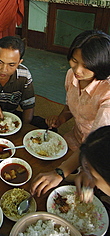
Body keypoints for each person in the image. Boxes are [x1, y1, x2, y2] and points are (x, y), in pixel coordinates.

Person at [30, 29, 110, 197]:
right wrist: (62, 118)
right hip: (74, 139)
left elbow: (94, 146)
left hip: (98, 157)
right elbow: (72, 106)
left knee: (73, 191)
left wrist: (61, 172)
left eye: (86, 66)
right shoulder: (71, 76)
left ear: (100, 66)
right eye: (74, 60)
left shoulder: (107, 95)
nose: (77, 70)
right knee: (39, 166)